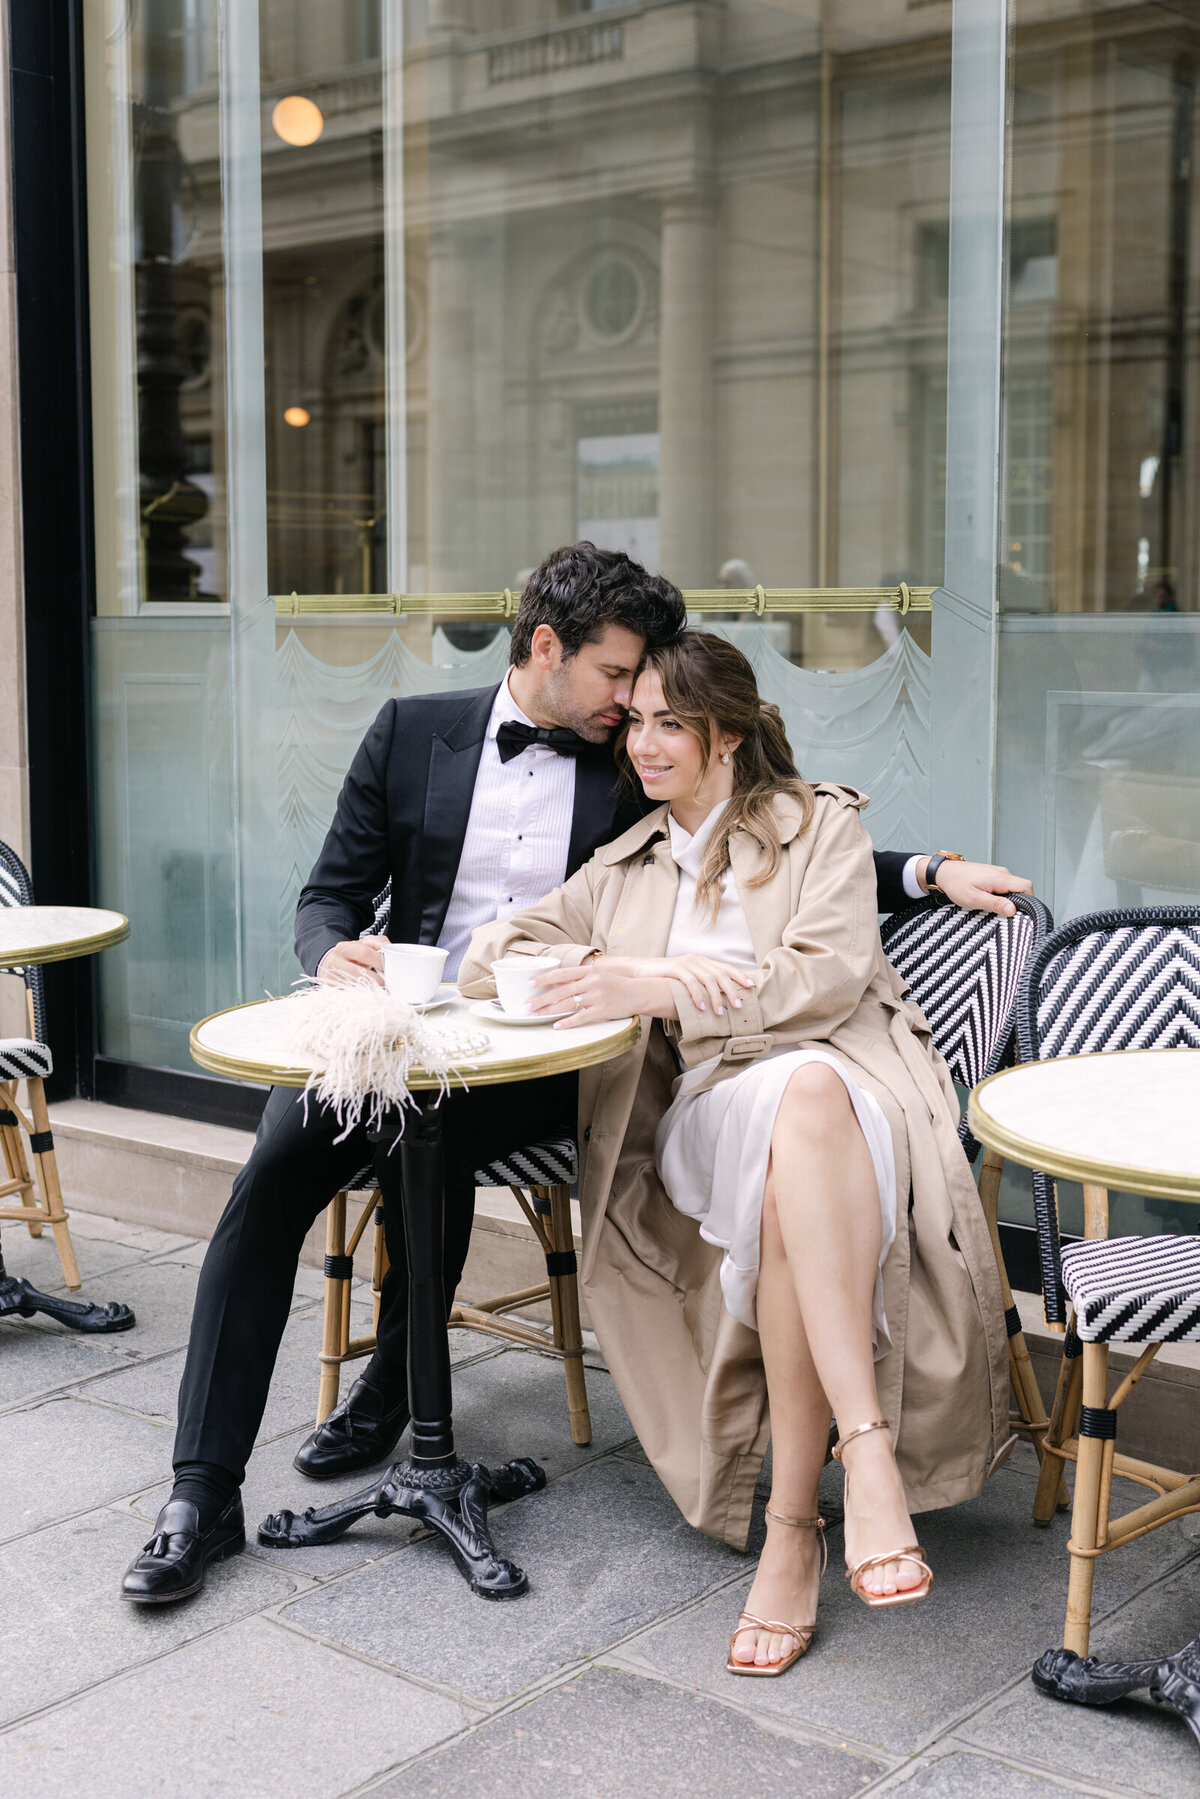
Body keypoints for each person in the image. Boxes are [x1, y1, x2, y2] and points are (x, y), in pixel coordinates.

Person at [120, 545, 1027, 1606]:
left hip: (556, 1063)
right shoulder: (412, 732)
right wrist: (335, 952)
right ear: (547, 647)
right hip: (400, 1031)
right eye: (617, 682)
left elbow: (758, 821)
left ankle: (407, 1400)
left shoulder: (628, 758)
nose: (632, 714)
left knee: (436, 1144)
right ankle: (202, 1488)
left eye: (653, 705)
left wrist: (927, 870)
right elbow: (329, 893)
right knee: (272, 1174)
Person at [459, 631, 1011, 1677]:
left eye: (673, 722)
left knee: (800, 1118)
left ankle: (795, 1530)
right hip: (708, 1110)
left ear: (728, 733)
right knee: (784, 1116)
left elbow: (829, 978)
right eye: (639, 723)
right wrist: (626, 967)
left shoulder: (819, 828)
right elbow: (493, 959)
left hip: (844, 1086)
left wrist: (671, 989)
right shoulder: (627, 866)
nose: (647, 744)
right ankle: (869, 1448)